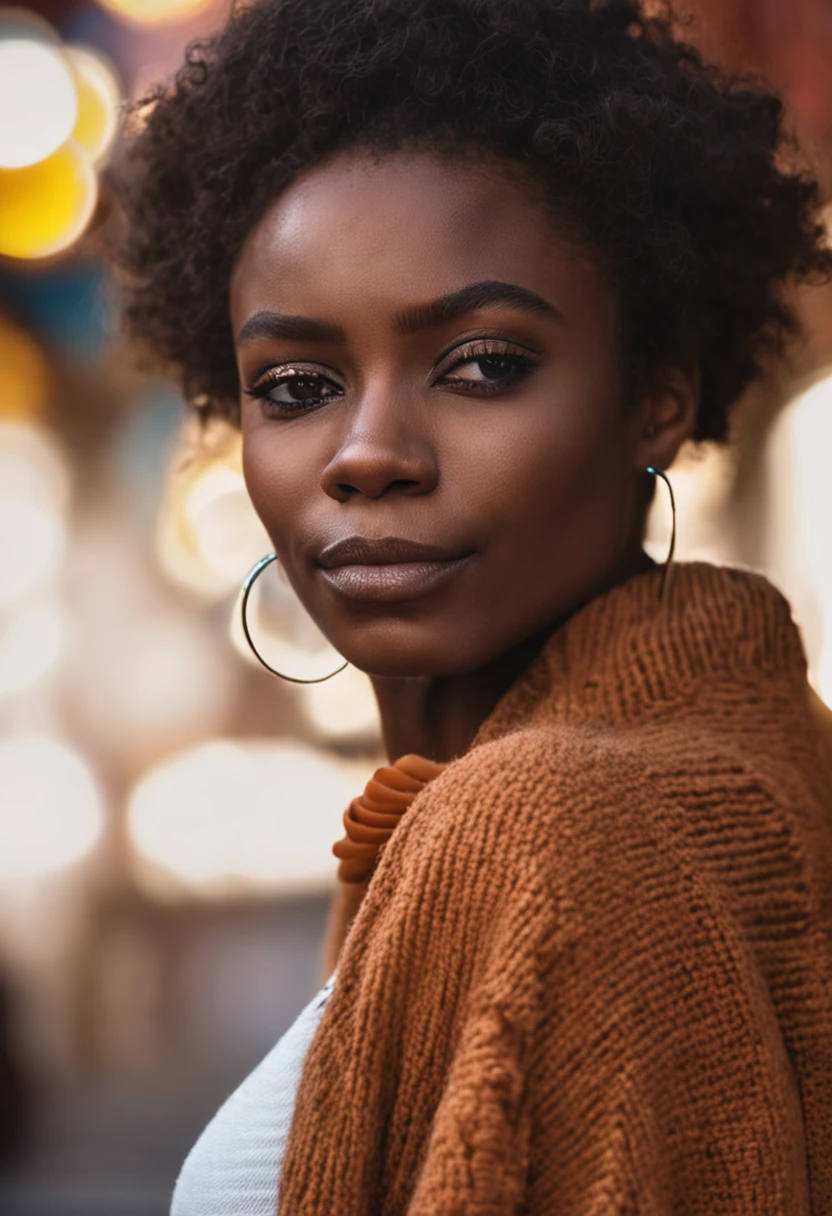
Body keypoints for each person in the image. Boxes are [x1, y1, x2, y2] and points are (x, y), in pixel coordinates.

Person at [104, 0, 832, 1211]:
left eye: (482, 364)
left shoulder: (552, 826)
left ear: (654, 397)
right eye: (296, 384)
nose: (369, 452)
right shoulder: (707, 762)